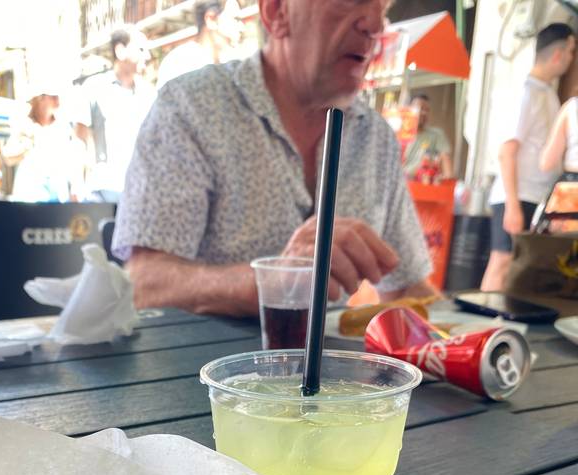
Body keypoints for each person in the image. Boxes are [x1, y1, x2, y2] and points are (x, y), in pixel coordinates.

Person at [114, 0, 434, 317]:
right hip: (203, 352)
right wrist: (274, 282)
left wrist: (461, 334)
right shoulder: (192, 107)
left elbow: (407, 289)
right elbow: (144, 282)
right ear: (276, 12)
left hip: (329, 354)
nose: (376, 26)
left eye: (383, 9)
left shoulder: (375, 137)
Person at [481, 22, 575, 293]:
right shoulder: (525, 92)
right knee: (502, 261)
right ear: (558, 53)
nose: (571, 59)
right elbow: (507, 151)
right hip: (515, 194)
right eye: (571, 52)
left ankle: (502, 318)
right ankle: (483, 319)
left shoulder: (548, 94)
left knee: (520, 266)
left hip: (536, 196)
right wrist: (512, 204)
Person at [76, 27, 155, 203]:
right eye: (141, 49)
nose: (147, 56)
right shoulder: (95, 87)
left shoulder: (149, 94)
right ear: (120, 51)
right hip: (103, 191)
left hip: (140, 191)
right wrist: (79, 187)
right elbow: (80, 139)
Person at [2, 84, 84, 202]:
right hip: (29, 194)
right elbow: (8, 157)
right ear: (41, 98)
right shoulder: (24, 125)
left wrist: (75, 189)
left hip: (57, 194)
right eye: (52, 95)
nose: (57, 98)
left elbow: (72, 159)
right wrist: (26, 145)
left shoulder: (63, 127)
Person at [157, 0, 243, 89]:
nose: (241, 27)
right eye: (236, 19)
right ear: (211, 19)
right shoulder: (178, 62)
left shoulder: (234, 62)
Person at [402, 94, 452, 181]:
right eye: (420, 108)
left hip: (423, 182)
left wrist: (446, 179)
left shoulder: (436, 135)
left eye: (427, 110)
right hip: (401, 181)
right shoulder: (400, 134)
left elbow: (446, 162)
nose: (424, 113)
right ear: (410, 109)